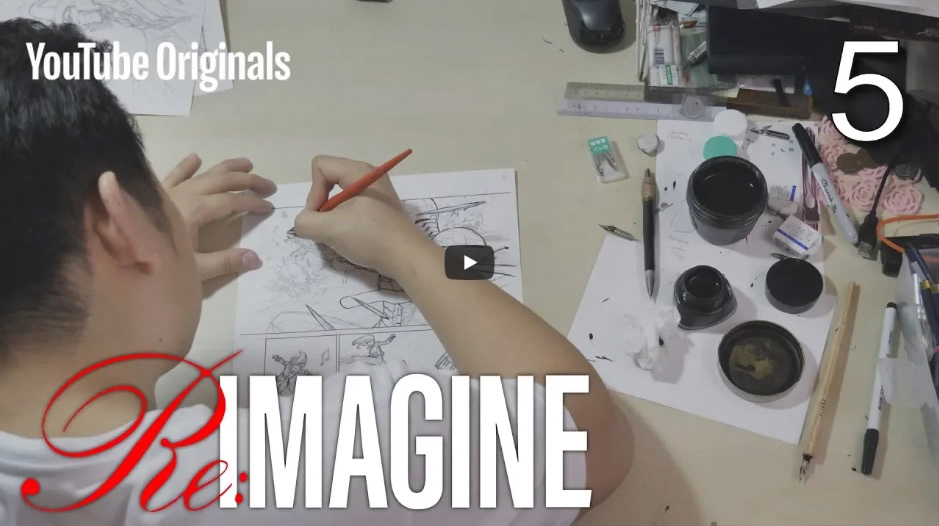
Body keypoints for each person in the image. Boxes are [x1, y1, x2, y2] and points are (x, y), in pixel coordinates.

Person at [0, 19, 631, 526]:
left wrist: (134, 270)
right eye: (152, 200)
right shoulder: (301, 462)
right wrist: (407, 247)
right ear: (120, 230)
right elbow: (590, 441)